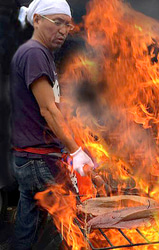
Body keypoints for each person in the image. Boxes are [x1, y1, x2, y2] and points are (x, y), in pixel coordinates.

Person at [10, 0, 95, 249]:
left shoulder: (36, 53)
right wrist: (75, 151)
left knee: (28, 226)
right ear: (37, 20)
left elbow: (49, 106)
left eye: (67, 25)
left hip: (28, 158)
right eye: (57, 22)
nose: (64, 30)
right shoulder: (35, 53)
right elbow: (47, 109)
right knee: (73, 226)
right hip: (39, 160)